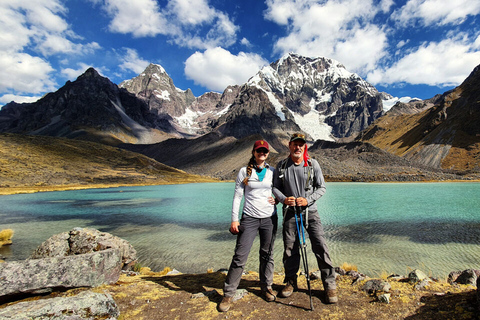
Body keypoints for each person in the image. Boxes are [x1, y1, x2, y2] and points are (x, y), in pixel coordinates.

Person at [272, 133, 338, 304]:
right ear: (289, 146)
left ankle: (329, 285)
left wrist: (307, 200)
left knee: (320, 246)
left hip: (311, 212)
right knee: (290, 249)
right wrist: (284, 199)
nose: (298, 147)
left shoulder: (312, 164)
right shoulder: (282, 166)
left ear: (304, 147)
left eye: (301, 145)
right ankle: (290, 281)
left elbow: (321, 187)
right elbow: (275, 188)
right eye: (295, 144)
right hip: (290, 213)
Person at [218, 140, 278, 312]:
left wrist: (277, 200)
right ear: (253, 152)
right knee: (240, 256)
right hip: (249, 219)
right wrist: (234, 219)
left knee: (267, 255)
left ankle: (266, 287)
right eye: (259, 150)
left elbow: (278, 191)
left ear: (268, 153)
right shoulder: (244, 171)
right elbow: (237, 196)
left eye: (264, 151)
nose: (262, 153)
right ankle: (228, 294)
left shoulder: (272, 171)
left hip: (269, 218)